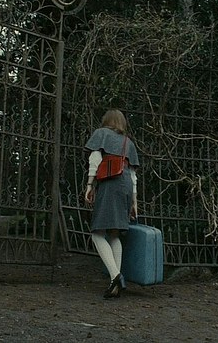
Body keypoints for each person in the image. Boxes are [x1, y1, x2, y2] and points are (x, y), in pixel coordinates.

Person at [84, 109, 140, 299]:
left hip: (110, 184)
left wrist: (89, 185)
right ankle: (114, 285)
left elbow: (95, 161)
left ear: (106, 120)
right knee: (114, 234)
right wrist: (134, 202)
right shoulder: (128, 142)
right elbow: (133, 176)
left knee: (97, 233)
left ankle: (116, 276)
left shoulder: (101, 134)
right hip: (126, 186)